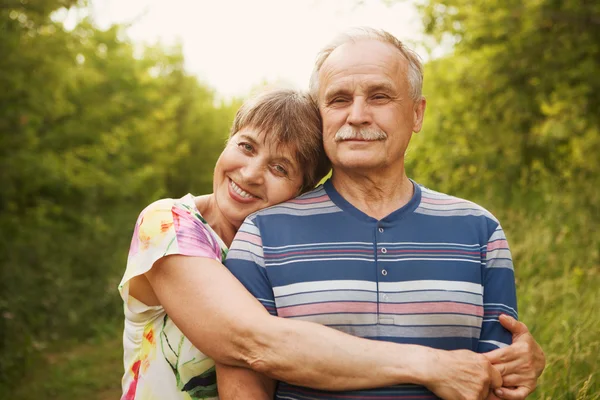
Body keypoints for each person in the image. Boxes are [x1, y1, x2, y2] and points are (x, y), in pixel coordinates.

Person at [119, 93, 543, 398]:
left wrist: (512, 365)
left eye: (279, 167)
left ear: (302, 190)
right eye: (245, 146)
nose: (249, 173)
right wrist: (431, 365)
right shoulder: (168, 223)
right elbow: (256, 342)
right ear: (228, 141)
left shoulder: (278, 248)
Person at [221, 28, 545, 400]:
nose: (357, 115)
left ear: (417, 113)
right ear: (320, 116)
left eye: (379, 96)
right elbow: (244, 384)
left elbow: (499, 384)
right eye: (339, 99)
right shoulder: (260, 235)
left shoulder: (480, 231)